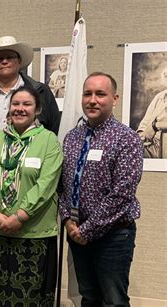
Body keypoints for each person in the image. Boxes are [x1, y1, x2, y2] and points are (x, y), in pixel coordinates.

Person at [59, 72, 143, 306]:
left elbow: (122, 193)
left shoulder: (127, 138)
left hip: (113, 235)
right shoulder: (72, 138)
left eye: (100, 94)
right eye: (87, 94)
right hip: (76, 232)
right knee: (88, 297)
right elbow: (64, 185)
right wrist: (67, 219)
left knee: (113, 300)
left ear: (114, 98)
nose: (92, 100)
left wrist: (87, 230)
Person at [0, 86, 63, 306]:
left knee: (30, 296)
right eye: (16, 104)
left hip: (33, 233)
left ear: (37, 110)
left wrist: (20, 216)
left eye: (27, 104)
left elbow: (46, 184)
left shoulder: (49, 140)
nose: (20, 109)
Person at [0, 36, 60, 139]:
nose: (4, 61)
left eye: (10, 57)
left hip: (31, 154)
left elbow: (54, 127)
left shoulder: (40, 92)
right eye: (0, 58)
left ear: (19, 60)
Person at [136, 67, 167, 158]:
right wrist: (141, 135)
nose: (165, 74)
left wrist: (154, 126)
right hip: (150, 147)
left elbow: (153, 126)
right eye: (165, 73)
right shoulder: (159, 97)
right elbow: (145, 123)